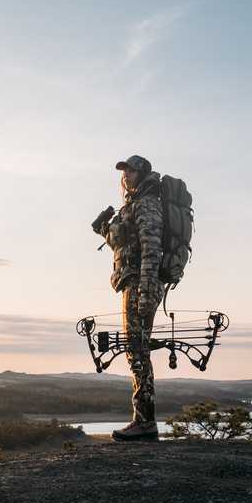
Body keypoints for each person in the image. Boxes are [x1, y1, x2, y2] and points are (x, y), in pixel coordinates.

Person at [99, 155, 165, 441]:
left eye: (131, 171)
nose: (126, 176)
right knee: (135, 348)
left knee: (137, 350)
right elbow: (127, 244)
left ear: (143, 174)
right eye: (124, 172)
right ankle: (142, 420)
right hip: (132, 282)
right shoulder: (134, 204)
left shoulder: (147, 204)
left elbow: (151, 248)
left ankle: (144, 422)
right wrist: (105, 230)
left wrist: (147, 292)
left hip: (140, 284)